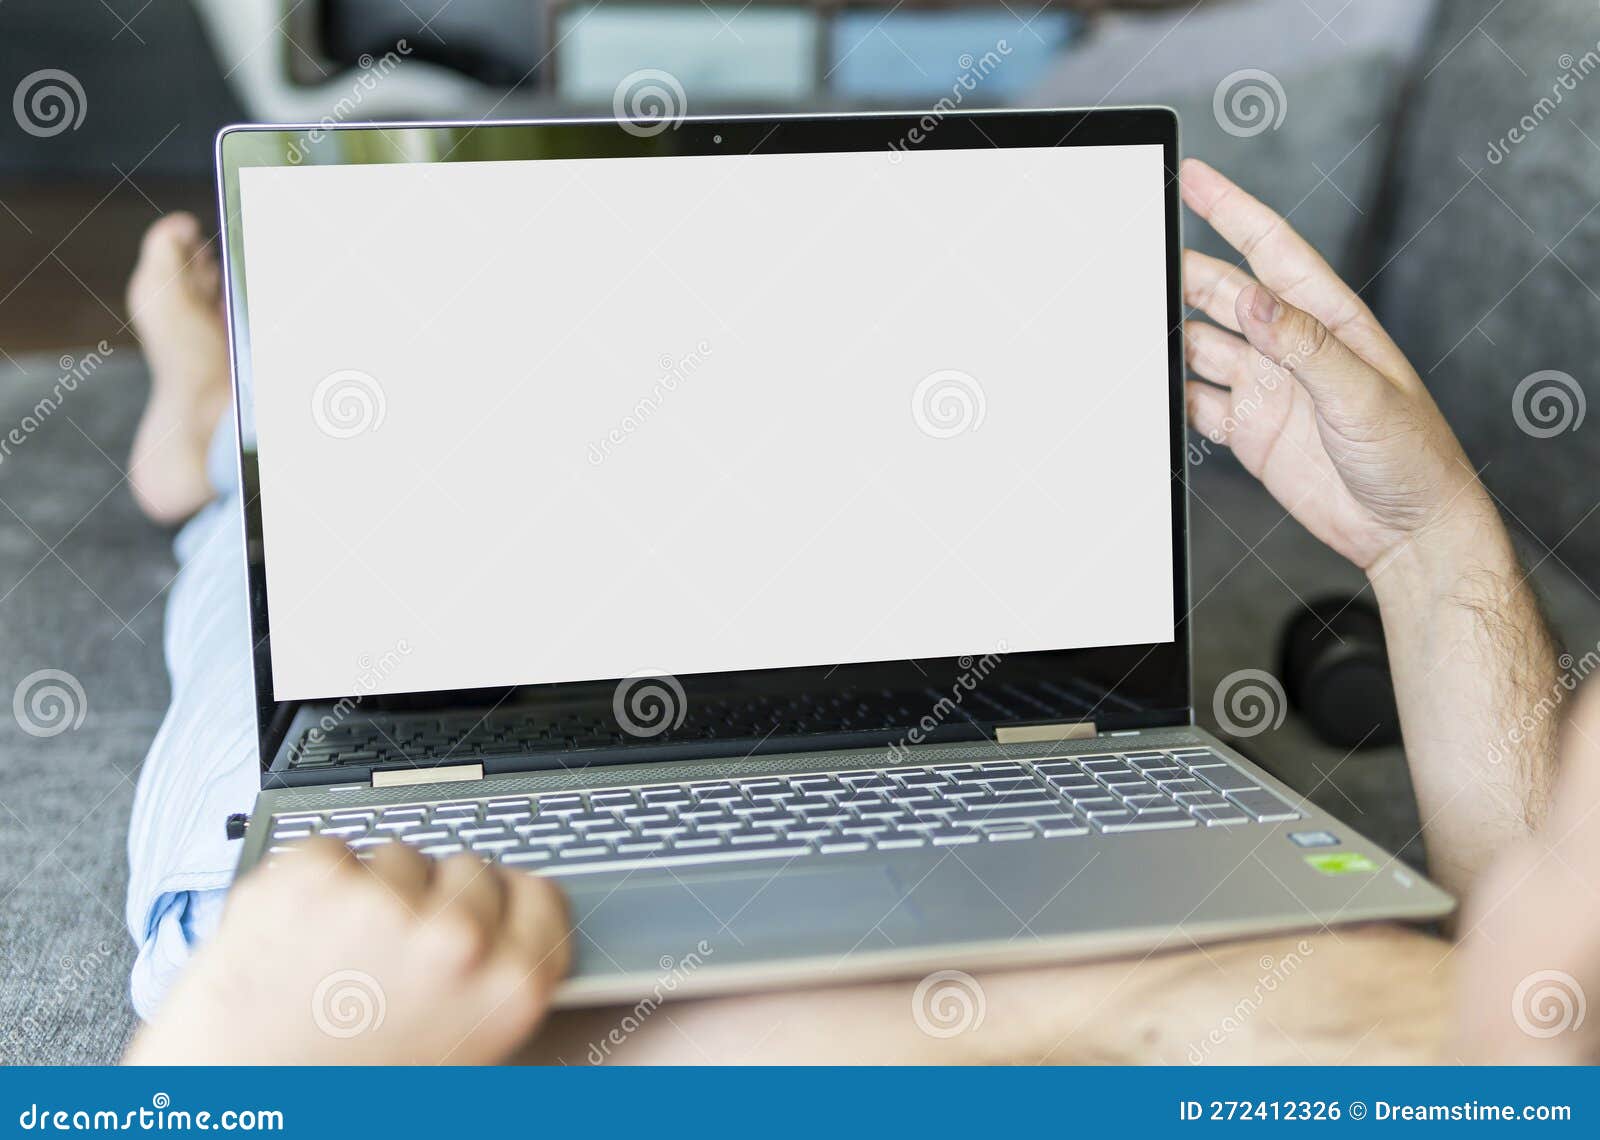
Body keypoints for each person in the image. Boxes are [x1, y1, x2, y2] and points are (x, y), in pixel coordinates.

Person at [122, 159, 1596, 1064]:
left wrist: (228, 1061)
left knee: (301, 554)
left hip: (414, 963)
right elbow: (1531, 981)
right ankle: (224, 420)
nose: (1523, 874)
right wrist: (1426, 539)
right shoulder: (1512, 1034)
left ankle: (207, 435)